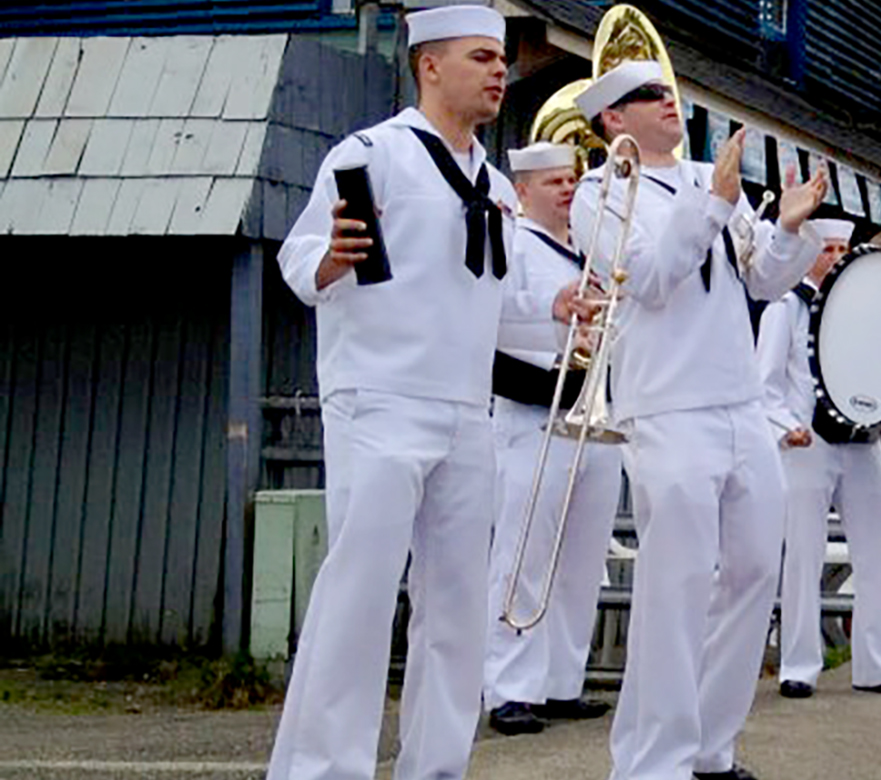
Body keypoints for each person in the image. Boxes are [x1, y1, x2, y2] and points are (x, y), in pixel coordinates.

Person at [266, 7, 584, 779]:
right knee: (361, 593)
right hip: (380, 397)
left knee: (455, 608)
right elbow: (299, 257)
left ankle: (436, 766)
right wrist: (332, 261)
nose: (499, 71)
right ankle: (320, 769)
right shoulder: (371, 154)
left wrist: (555, 306)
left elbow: (490, 293)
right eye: (481, 57)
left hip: (462, 406)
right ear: (429, 65)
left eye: (501, 58)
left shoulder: (497, 184)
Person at [572, 61, 831, 780]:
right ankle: (652, 761)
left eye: (670, 93)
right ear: (614, 120)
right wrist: (713, 207)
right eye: (650, 98)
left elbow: (762, 280)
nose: (669, 105)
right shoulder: (600, 192)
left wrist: (785, 226)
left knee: (753, 570)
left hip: (737, 399)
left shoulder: (704, 180)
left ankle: (711, 748)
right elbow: (647, 279)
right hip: (667, 404)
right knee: (677, 582)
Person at [481, 142, 621, 735]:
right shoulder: (513, 244)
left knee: (583, 562)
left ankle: (563, 680)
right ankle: (508, 687)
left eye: (571, 179)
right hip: (534, 414)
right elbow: (497, 329)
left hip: (591, 418)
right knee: (523, 560)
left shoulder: (592, 250)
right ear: (524, 189)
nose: (568, 189)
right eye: (554, 181)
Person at [758, 218, 881, 701]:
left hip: (859, 437)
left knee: (876, 548)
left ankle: (879, 664)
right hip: (809, 440)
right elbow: (763, 383)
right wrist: (786, 426)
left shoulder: (860, 309)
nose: (835, 257)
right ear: (807, 254)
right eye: (827, 248)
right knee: (803, 553)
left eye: (841, 249)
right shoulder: (784, 308)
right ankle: (799, 665)